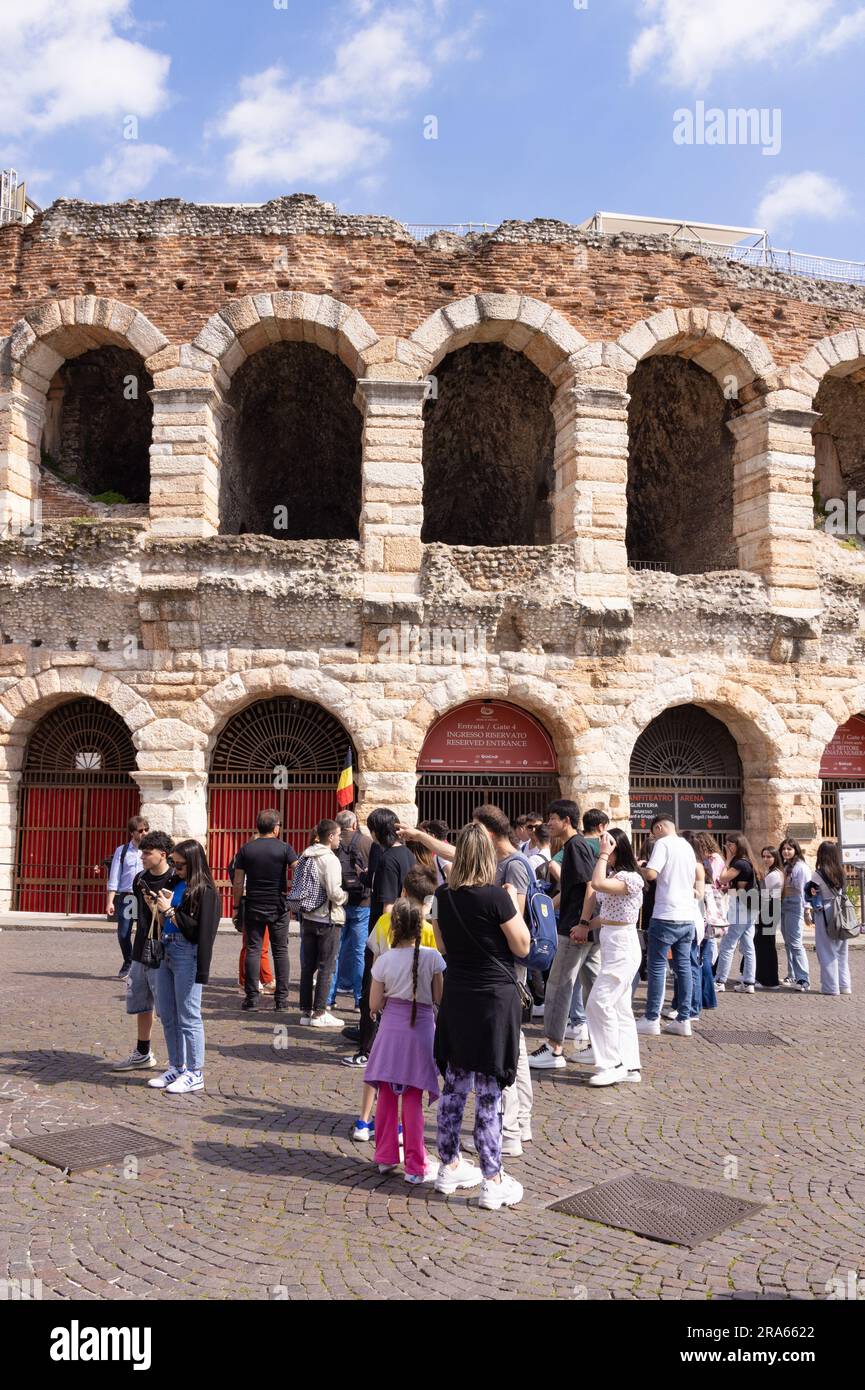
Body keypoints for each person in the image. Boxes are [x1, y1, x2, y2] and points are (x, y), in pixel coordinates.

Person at [432, 822, 530, 1211]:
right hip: (493, 999)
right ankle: (492, 1178)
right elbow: (521, 946)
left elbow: (441, 943)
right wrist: (512, 903)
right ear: (488, 857)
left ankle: (449, 1163)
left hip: (458, 994)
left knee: (455, 1084)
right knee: (490, 1090)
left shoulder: (443, 895)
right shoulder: (497, 897)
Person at [351, 865, 439, 1143]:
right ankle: (402, 1125)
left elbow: (376, 965)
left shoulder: (384, 922)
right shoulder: (430, 930)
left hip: (388, 1006)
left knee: (377, 1066)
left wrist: (374, 1005)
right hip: (420, 1010)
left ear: (403, 892)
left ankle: (364, 1120)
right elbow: (436, 980)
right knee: (410, 1072)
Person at [364, 893, 446, 1183]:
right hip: (422, 1028)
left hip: (391, 1030)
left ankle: (386, 1156)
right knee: (413, 1097)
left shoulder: (384, 961)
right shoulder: (433, 958)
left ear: (394, 926)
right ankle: (416, 1165)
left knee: (386, 1093)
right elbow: (439, 996)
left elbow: (374, 1005)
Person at [471, 805, 534, 1157]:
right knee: (517, 1047)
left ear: (490, 833)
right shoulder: (504, 863)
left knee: (503, 1049)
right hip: (504, 967)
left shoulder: (514, 867)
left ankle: (509, 1131)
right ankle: (521, 1122)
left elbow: (517, 926)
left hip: (507, 968)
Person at [343, 808, 416, 1069]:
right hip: (408, 934)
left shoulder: (387, 860)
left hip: (386, 937)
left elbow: (387, 908)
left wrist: (382, 952)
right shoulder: (409, 855)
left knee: (370, 995)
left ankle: (368, 1050)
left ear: (376, 832)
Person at [528, 800, 598, 1069]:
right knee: (595, 988)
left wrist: (582, 922)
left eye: (552, 818)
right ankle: (600, 1045)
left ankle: (553, 1047)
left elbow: (590, 886)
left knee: (558, 985)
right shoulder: (575, 846)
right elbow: (571, 891)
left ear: (566, 820)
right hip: (584, 927)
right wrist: (543, 909)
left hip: (576, 928)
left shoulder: (575, 846)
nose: (549, 824)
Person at [148, 839, 221, 1095]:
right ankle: (177, 1066)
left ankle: (195, 1071)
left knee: (189, 1015)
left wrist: (170, 913)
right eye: (173, 864)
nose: (175, 869)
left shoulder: (205, 890)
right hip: (166, 947)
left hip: (186, 952)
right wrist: (157, 908)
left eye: (179, 865)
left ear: (193, 863)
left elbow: (198, 931)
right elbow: (166, 915)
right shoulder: (174, 882)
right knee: (167, 1013)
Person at [111, 830, 175, 1072]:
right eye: (142, 852)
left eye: (147, 853)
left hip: (166, 950)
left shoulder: (175, 879)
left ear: (163, 854)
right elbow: (136, 915)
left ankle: (178, 1061)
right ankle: (142, 1052)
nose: (142, 857)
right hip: (141, 950)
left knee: (167, 1008)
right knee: (142, 1004)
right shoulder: (139, 880)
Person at [583, 828, 643, 1085]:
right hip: (613, 941)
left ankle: (612, 1063)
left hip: (623, 945)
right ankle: (630, 1065)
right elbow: (609, 913)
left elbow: (595, 884)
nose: (601, 850)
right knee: (619, 1008)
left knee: (599, 1002)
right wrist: (586, 925)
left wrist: (604, 854)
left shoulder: (631, 878)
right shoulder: (617, 876)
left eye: (607, 846)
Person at [636, 818, 704, 1038]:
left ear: (659, 828)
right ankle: (684, 1019)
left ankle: (652, 1018)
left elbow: (652, 874)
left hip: (666, 913)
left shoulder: (663, 844)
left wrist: (640, 867)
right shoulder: (686, 846)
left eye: (653, 833)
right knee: (683, 967)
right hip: (686, 915)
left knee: (656, 966)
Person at [232, 809, 298, 1012]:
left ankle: (251, 999)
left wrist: (236, 907)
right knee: (280, 951)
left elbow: (237, 882)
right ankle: (282, 1001)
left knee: (253, 949)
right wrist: (294, 896)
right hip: (278, 905)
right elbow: (298, 869)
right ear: (276, 827)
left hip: (253, 904)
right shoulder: (285, 848)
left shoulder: (246, 849)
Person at [297, 819, 348, 1027]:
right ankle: (320, 1013)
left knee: (307, 966)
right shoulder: (330, 859)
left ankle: (305, 1011)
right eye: (338, 835)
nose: (340, 839)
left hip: (307, 916)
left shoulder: (305, 854)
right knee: (327, 966)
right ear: (330, 837)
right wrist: (345, 896)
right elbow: (334, 892)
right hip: (327, 918)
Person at [327, 810, 373, 1011]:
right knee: (358, 951)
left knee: (334, 952)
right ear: (354, 824)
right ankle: (359, 999)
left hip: (338, 903)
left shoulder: (332, 842)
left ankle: (329, 999)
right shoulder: (366, 842)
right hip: (362, 903)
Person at [229, 832, 275, 997]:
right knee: (256, 946)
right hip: (252, 904)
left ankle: (252, 979)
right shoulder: (245, 861)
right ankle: (260, 980)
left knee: (255, 945)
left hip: (255, 904)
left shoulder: (245, 859)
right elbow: (239, 883)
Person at [714, 834, 761, 993]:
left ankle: (720, 981)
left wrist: (727, 860)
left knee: (728, 944)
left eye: (729, 844)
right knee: (748, 945)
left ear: (737, 845)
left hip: (741, 908)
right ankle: (749, 982)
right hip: (750, 906)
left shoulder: (740, 862)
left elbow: (722, 878)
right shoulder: (749, 861)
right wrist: (731, 888)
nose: (727, 847)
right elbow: (741, 885)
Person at [806, 841, 853, 996]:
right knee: (841, 950)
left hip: (825, 911)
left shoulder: (818, 874)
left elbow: (811, 892)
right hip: (841, 910)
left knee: (826, 950)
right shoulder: (841, 871)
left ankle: (830, 987)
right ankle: (844, 985)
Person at [105, 815, 149, 978]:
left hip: (145, 896)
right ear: (132, 833)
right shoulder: (122, 851)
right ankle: (128, 960)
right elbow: (114, 876)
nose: (144, 833)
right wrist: (110, 901)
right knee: (123, 933)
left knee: (143, 932)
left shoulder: (151, 851)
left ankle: (141, 964)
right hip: (127, 896)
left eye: (146, 829)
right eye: (140, 830)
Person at [778, 837, 812, 991]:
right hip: (784, 903)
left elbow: (806, 890)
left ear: (795, 850)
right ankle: (792, 974)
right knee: (788, 942)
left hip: (795, 904)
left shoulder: (801, 867)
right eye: (784, 848)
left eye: (789, 849)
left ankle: (803, 979)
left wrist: (807, 909)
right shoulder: (784, 866)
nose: (786, 851)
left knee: (796, 943)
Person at [756, 846, 783, 989]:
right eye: (764, 856)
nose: (766, 859)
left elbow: (763, 894)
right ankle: (767, 978)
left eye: (769, 857)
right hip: (770, 907)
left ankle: (768, 979)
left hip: (769, 908)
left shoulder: (774, 874)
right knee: (765, 944)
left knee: (765, 944)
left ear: (775, 857)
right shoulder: (772, 872)